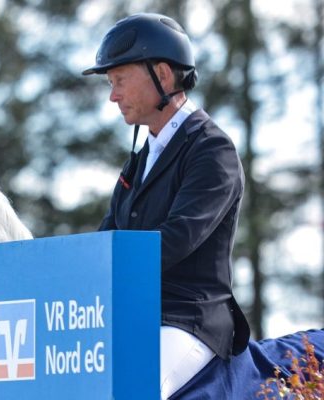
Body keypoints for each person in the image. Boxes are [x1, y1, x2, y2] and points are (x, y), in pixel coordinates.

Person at [83, 13, 251, 399]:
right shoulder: (140, 159)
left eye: (120, 81)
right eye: (111, 84)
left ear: (162, 73)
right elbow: (107, 235)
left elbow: (176, 238)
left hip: (187, 320)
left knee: (133, 390)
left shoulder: (212, 150)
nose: (113, 95)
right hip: (136, 315)